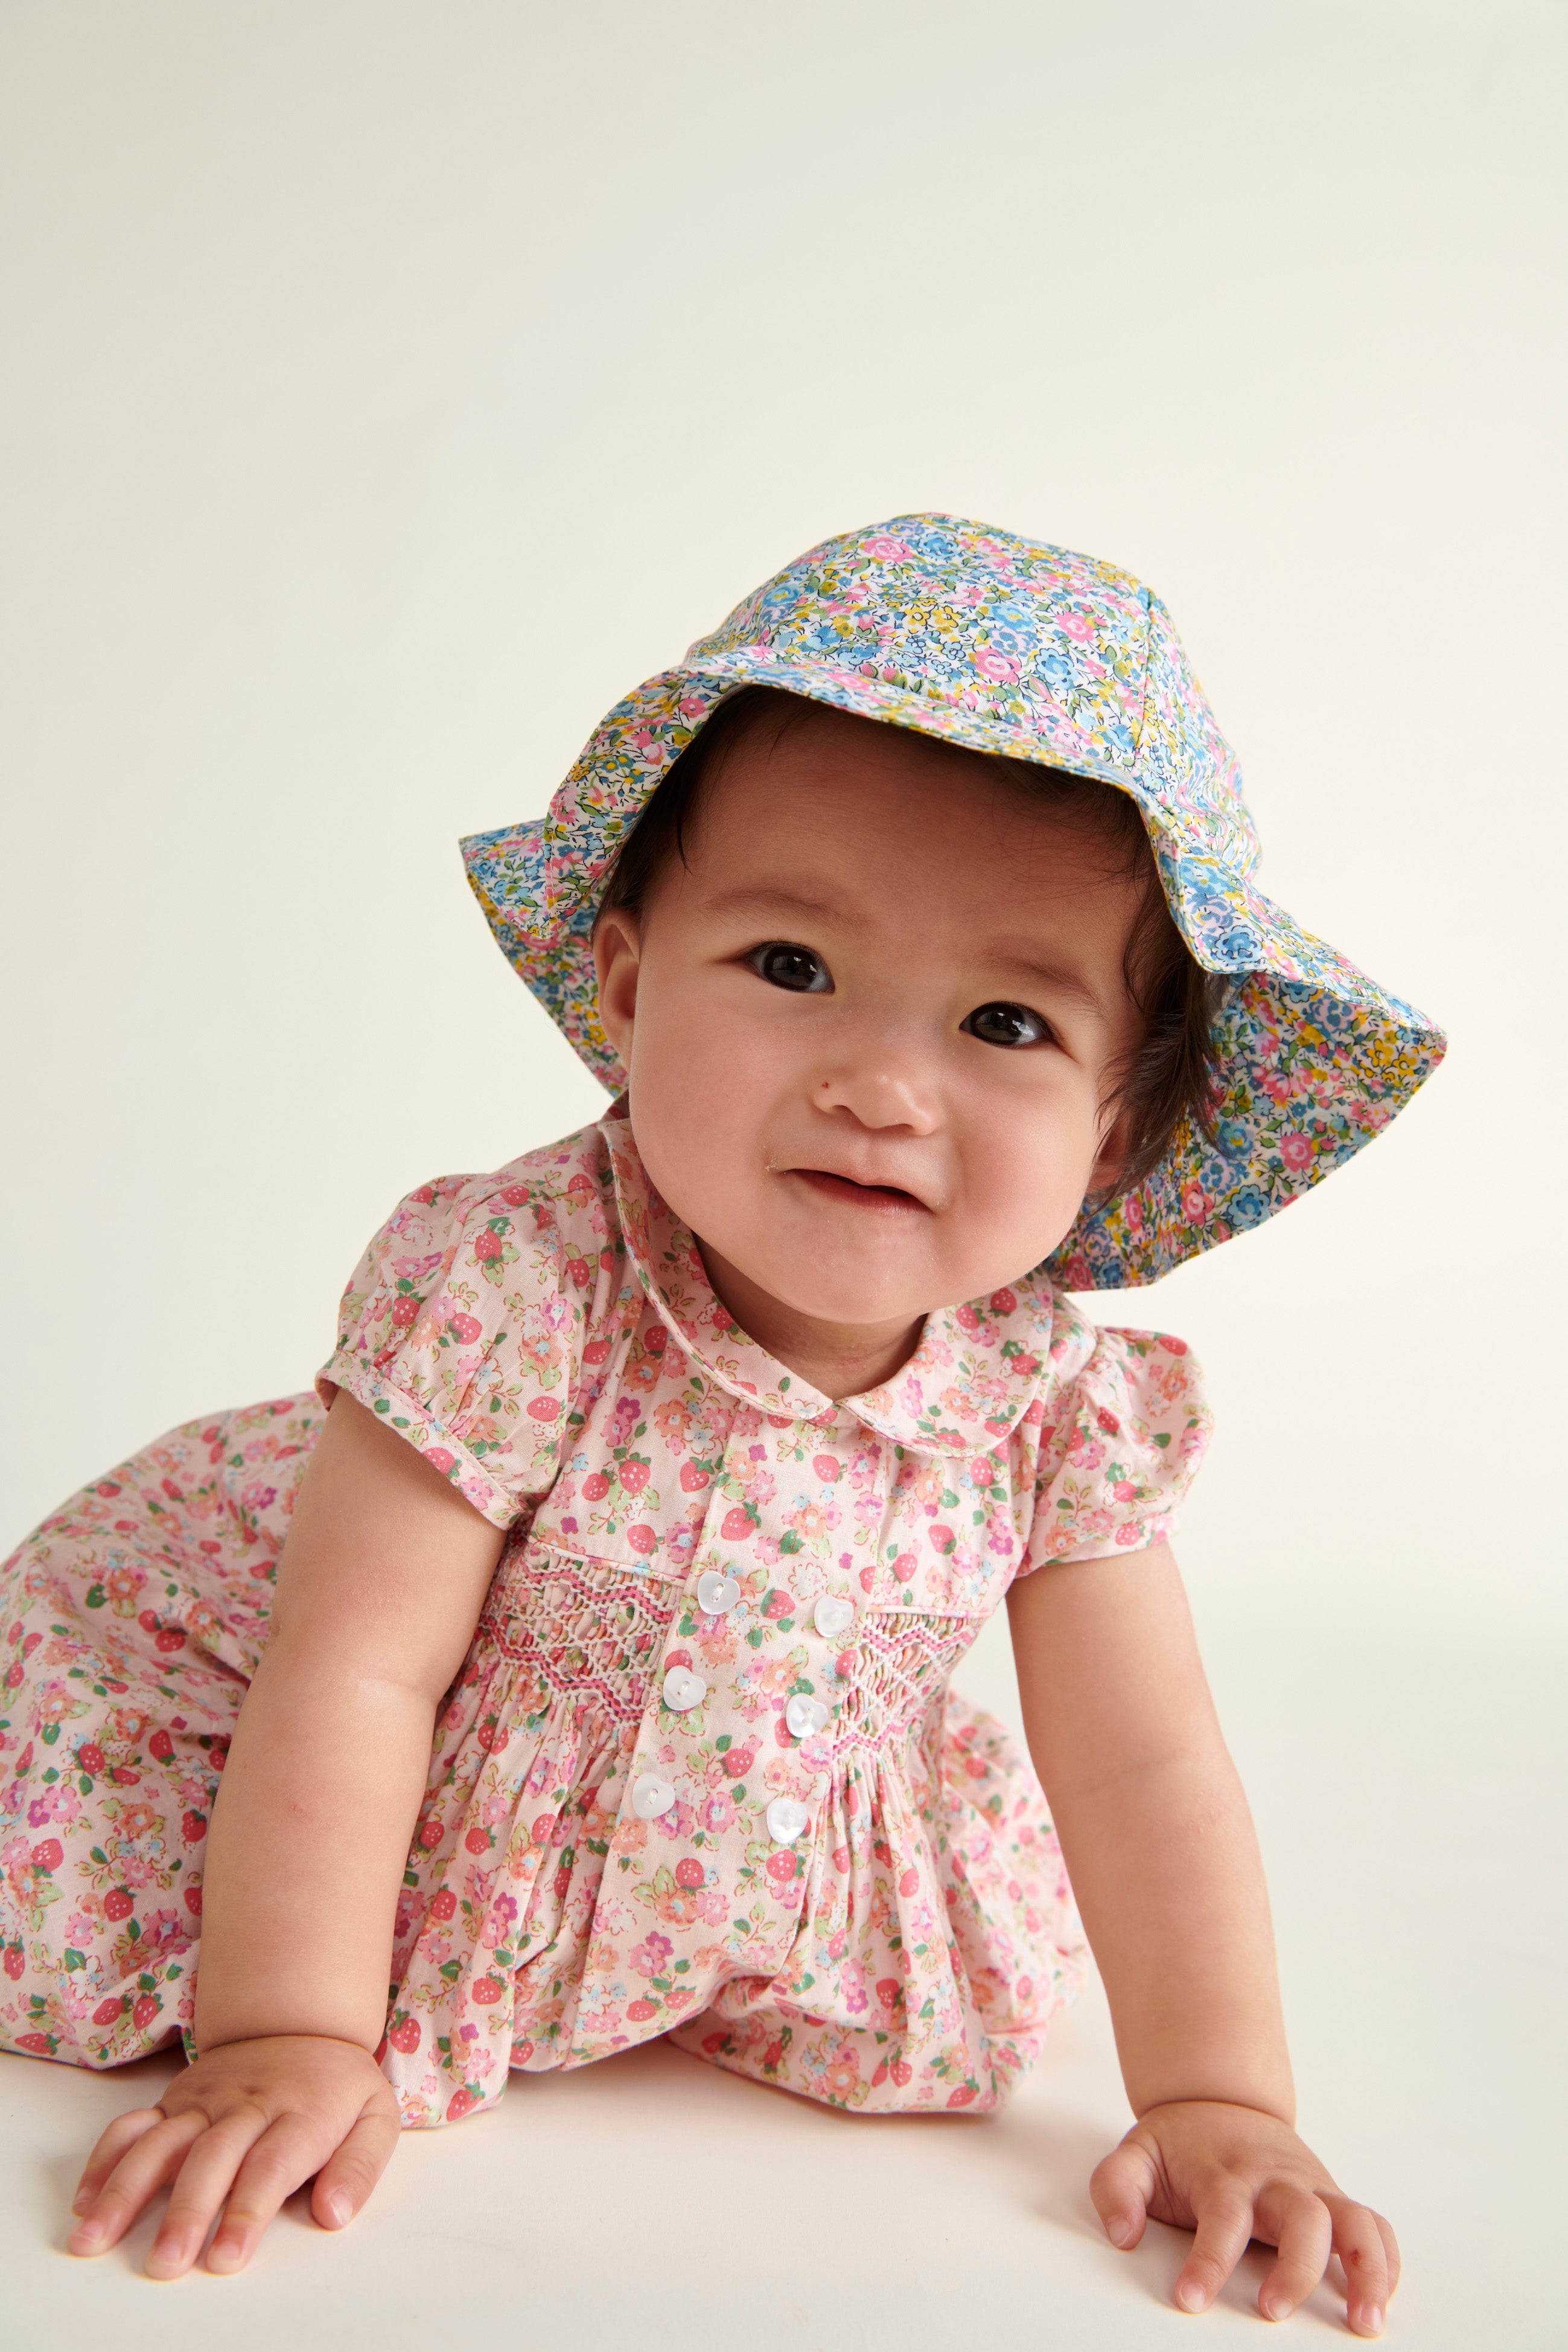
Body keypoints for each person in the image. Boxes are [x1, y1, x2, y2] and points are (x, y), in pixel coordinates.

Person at [1, 514, 1439, 2329]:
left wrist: (1226, 2096)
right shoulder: (518, 1289)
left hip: (731, 1790)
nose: (880, 1083)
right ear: (620, 988)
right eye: (788, 966)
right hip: (325, 1719)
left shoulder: (1058, 1402)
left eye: (1005, 1018)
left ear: (1120, 1133)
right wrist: (284, 2024)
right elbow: (352, 1669)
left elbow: (1144, 1764)